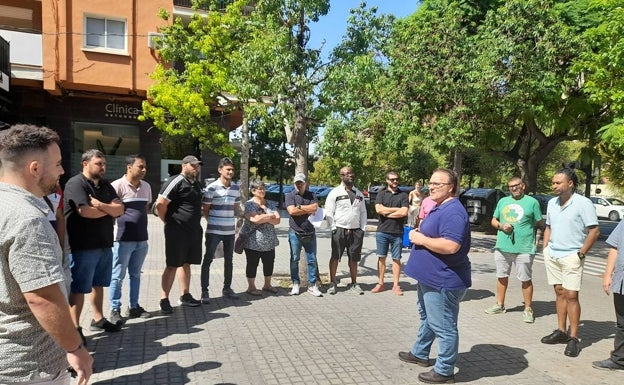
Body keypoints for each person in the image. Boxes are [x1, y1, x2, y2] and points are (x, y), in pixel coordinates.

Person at [0, 124, 93, 384]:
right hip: (28, 366)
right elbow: (42, 298)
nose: (62, 171)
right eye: (58, 164)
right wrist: (76, 349)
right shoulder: (28, 219)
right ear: (35, 169)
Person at [398, 168, 471, 384]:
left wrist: (420, 239)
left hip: (443, 280)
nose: (432, 186)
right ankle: (420, 353)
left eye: (438, 184)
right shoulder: (439, 207)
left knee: (444, 326)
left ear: (451, 187)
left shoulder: (454, 212)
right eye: (431, 182)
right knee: (429, 318)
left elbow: (451, 245)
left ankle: (445, 370)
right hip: (430, 277)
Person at [540, 164, 599, 357]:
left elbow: (594, 231)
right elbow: (548, 226)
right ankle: (561, 331)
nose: (554, 185)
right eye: (553, 182)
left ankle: (574, 338)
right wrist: (545, 247)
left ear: (570, 183)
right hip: (553, 254)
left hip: (572, 256)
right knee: (559, 292)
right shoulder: (552, 203)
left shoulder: (583, 203)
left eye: (558, 182)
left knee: (572, 295)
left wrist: (581, 253)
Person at [64, 149, 124, 341]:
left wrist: (100, 205)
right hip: (83, 247)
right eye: (99, 164)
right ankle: (74, 328)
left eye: (104, 164)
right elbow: (85, 212)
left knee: (99, 284)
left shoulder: (106, 185)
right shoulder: (75, 184)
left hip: (105, 244)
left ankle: (98, 319)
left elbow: (120, 209)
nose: (103, 167)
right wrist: (109, 210)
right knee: (79, 288)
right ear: (85, 164)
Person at [485, 177, 543, 323]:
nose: (513, 188)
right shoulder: (503, 201)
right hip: (502, 246)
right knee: (502, 276)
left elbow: (540, 223)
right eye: (510, 186)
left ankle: (528, 308)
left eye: (516, 185)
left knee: (525, 279)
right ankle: (499, 304)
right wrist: (501, 226)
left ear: (523, 186)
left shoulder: (532, 202)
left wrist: (537, 242)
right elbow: (493, 220)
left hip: (524, 248)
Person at [154, 155, 204, 313]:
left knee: (186, 263)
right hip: (177, 231)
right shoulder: (175, 181)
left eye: (198, 166)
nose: (196, 168)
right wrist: (168, 222)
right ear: (184, 165)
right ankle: (164, 298)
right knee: (172, 265)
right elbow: (160, 204)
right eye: (193, 165)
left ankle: (185, 294)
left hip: (193, 231)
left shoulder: (196, 184)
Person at [108, 154, 153, 324]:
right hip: (122, 240)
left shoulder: (146, 186)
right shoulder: (117, 186)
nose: (144, 170)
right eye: (140, 167)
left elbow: (145, 208)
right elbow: (111, 212)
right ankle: (114, 309)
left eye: (145, 167)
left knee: (135, 275)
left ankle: (134, 307)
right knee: (117, 276)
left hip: (141, 240)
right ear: (129, 167)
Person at [201, 157, 241, 303]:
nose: (230, 172)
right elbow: (205, 209)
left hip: (229, 232)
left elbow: (235, 208)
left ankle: (227, 288)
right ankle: (204, 291)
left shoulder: (236, 188)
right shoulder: (212, 188)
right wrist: (213, 222)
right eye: (227, 169)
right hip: (214, 231)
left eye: (232, 169)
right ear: (220, 170)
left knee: (229, 261)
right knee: (208, 260)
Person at [324, 166, 367, 295]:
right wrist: (333, 227)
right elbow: (329, 211)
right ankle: (332, 283)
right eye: (347, 174)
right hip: (339, 229)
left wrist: (362, 228)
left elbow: (363, 212)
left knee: (354, 258)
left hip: (355, 231)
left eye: (351, 173)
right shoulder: (335, 192)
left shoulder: (359, 194)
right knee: (335, 256)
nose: (350, 175)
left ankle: (354, 283)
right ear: (341, 176)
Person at [593, 219, 624, 370]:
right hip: (622, 281)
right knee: (622, 323)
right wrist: (607, 274)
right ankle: (619, 360)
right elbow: (614, 247)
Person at [285, 173, 322, 297]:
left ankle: (312, 285)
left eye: (301, 183)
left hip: (310, 232)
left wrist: (300, 207)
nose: (299, 185)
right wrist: (307, 208)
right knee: (294, 259)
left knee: (312, 260)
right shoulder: (290, 196)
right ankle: (295, 283)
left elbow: (315, 208)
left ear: (306, 183)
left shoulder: (312, 195)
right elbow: (292, 211)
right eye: (297, 183)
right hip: (295, 232)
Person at [372, 171, 409, 295]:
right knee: (381, 258)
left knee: (396, 259)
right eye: (392, 179)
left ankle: (396, 285)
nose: (395, 181)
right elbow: (378, 210)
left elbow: (404, 212)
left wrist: (386, 212)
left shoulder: (403, 195)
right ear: (387, 180)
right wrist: (396, 210)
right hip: (382, 231)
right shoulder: (381, 194)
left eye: (397, 179)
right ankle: (380, 283)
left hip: (397, 232)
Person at [242, 180, 281, 296]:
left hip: (269, 240)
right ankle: (251, 287)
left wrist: (262, 217)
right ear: (253, 191)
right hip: (253, 241)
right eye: (260, 189)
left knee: (269, 263)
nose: (263, 191)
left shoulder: (270, 203)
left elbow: (278, 220)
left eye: (264, 188)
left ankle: (267, 285)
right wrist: (270, 216)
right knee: (252, 264)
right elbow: (254, 219)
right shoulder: (249, 204)